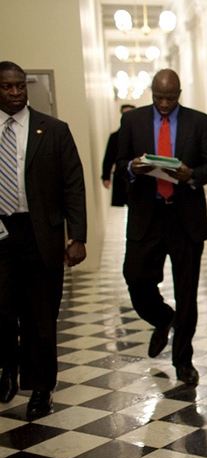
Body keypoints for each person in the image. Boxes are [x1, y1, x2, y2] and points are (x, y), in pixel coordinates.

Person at [116, 69, 207, 385]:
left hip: (184, 217)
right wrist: (132, 168)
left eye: (170, 98)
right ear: (151, 92)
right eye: (159, 97)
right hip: (146, 216)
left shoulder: (199, 122)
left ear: (179, 94)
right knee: (135, 278)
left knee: (187, 293)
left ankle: (183, 361)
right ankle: (163, 318)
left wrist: (191, 175)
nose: (164, 104)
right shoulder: (132, 121)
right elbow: (119, 163)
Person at [0, 61, 87, 416]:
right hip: (1, 234)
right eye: (7, 87)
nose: (16, 92)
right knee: (3, 311)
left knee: (41, 317)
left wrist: (77, 236)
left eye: (21, 85)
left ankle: (40, 388)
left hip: (40, 235)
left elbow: (73, 184)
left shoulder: (53, 130)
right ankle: (9, 365)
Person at [101, 103, 135, 206]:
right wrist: (106, 177)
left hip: (138, 176)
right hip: (121, 175)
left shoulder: (141, 136)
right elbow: (109, 157)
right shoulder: (115, 137)